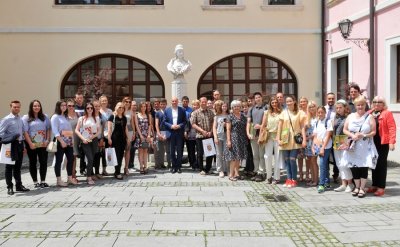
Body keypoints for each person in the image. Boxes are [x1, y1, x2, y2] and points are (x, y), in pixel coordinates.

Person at [342, 96, 377, 198]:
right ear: (355, 106)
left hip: (365, 146)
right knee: (354, 167)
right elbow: (345, 129)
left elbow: (374, 132)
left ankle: (362, 188)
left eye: (362, 104)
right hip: (353, 146)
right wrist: (352, 135)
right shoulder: (350, 116)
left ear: (365, 105)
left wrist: (364, 135)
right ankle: (356, 187)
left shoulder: (369, 117)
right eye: (358, 105)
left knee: (363, 166)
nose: (360, 106)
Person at [368, 96, 397, 196]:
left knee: (381, 164)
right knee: (373, 164)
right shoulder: (370, 113)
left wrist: (392, 142)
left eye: (379, 102)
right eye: (374, 101)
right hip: (372, 142)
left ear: (383, 104)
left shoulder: (387, 113)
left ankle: (381, 187)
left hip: (382, 142)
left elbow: (392, 128)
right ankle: (374, 184)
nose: (376, 103)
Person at [0, 100, 30, 195]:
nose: (17, 108)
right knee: (9, 167)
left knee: (18, 167)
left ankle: (19, 185)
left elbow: (22, 134)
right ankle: (9, 187)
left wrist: (24, 146)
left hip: (20, 145)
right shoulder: (6, 119)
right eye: (15, 107)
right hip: (10, 146)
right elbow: (1, 134)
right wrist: (12, 137)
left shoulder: (20, 119)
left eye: (18, 107)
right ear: (11, 107)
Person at [277, 95, 307, 188]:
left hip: (295, 139)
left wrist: (304, 139)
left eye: (290, 101)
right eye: (287, 102)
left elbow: (302, 127)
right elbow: (280, 126)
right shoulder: (283, 112)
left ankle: (294, 179)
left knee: (292, 159)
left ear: (294, 101)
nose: (288, 103)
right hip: (285, 139)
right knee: (287, 160)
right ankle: (288, 179)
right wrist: (278, 138)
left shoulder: (299, 112)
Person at [22, 100, 51, 189]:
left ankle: (43, 181)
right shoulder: (26, 118)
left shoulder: (45, 117)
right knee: (33, 162)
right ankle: (35, 182)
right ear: (31, 107)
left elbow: (48, 129)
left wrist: (47, 140)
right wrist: (30, 143)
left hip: (42, 144)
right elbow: (25, 132)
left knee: (43, 162)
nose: (37, 107)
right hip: (31, 144)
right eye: (35, 106)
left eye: (38, 105)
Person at [51, 100, 77, 187]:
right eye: (62, 105)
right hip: (59, 141)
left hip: (68, 140)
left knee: (71, 159)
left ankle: (69, 178)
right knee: (59, 161)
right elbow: (55, 130)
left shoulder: (65, 116)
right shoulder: (55, 117)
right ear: (58, 106)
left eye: (65, 105)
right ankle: (59, 180)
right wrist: (61, 141)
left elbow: (69, 129)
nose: (64, 107)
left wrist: (72, 139)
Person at [75, 102, 101, 185]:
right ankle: (89, 177)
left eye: (91, 108)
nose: (90, 109)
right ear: (85, 109)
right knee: (90, 158)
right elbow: (76, 130)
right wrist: (83, 139)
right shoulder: (81, 119)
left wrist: (92, 137)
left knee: (91, 159)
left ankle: (89, 173)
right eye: (88, 108)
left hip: (93, 140)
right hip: (85, 141)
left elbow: (99, 131)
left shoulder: (96, 118)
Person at [259, 96, 283, 184]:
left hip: (278, 136)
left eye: (276, 102)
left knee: (277, 157)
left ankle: (276, 177)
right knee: (267, 156)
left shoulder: (281, 113)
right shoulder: (267, 112)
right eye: (272, 103)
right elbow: (263, 124)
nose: (274, 104)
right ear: (270, 104)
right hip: (268, 136)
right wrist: (261, 135)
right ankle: (268, 176)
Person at [332, 100, 353, 193]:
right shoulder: (335, 117)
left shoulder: (349, 117)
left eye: (340, 107)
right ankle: (343, 184)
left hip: (345, 140)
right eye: (337, 108)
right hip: (336, 140)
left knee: (345, 163)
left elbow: (351, 130)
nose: (338, 109)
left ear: (345, 108)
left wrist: (348, 141)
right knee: (339, 163)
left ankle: (350, 184)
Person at [224, 100, 248, 181]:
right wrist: (228, 140)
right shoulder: (229, 117)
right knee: (233, 157)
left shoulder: (243, 116)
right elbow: (228, 129)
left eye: (238, 106)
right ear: (232, 108)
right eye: (235, 106)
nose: (237, 108)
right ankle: (231, 175)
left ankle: (237, 173)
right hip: (233, 137)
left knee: (239, 157)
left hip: (242, 138)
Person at [191, 97, 215, 175]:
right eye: (202, 102)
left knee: (210, 153)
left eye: (205, 102)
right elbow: (193, 124)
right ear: (200, 103)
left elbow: (213, 122)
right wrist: (202, 131)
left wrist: (211, 131)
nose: (204, 103)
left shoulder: (211, 112)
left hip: (209, 135)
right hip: (200, 136)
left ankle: (207, 169)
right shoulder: (195, 112)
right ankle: (201, 169)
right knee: (200, 153)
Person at [246, 92, 266, 182]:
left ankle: (262, 172)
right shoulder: (251, 109)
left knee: (262, 155)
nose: (257, 99)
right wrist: (248, 133)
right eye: (256, 98)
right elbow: (248, 122)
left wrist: (261, 125)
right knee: (255, 155)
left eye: (259, 97)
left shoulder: (266, 108)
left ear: (261, 98)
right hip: (253, 134)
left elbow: (268, 121)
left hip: (262, 134)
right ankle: (256, 170)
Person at [313, 106, 333, 193]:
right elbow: (315, 135)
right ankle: (327, 182)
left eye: (322, 112)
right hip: (318, 146)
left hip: (326, 146)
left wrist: (323, 148)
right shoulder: (317, 122)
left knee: (321, 164)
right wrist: (313, 147)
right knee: (324, 164)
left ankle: (321, 184)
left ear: (325, 113)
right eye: (319, 112)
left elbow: (328, 135)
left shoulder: (328, 122)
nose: (320, 114)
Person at [164, 97, 187, 173]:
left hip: (179, 132)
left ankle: (179, 166)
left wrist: (179, 125)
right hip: (171, 132)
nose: (174, 102)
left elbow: (185, 121)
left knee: (179, 150)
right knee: (172, 150)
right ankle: (173, 166)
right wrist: (171, 126)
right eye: (173, 101)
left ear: (178, 102)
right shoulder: (167, 110)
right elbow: (165, 121)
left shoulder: (182, 110)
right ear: (171, 102)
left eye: (175, 101)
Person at [108, 102, 129, 180]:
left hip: (122, 139)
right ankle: (117, 172)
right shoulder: (112, 116)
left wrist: (128, 138)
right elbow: (109, 128)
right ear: (116, 107)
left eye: (122, 108)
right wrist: (109, 138)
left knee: (120, 155)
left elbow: (125, 128)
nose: (121, 109)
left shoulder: (124, 117)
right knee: (116, 155)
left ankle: (117, 171)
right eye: (119, 107)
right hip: (115, 139)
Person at [135, 102, 153, 174]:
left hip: (146, 135)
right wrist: (140, 135)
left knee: (145, 151)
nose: (143, 108)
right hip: (140, 135)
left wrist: (149, 135)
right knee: (140, 151)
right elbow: (137, 126)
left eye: (144, 106)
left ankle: (145, 166)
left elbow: (149, 126)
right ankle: (141, 167)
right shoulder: (137, 115)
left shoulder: (149, 115)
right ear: (140, 107)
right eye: (142, 106)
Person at [325, 92, 339, 184]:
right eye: (329, 99)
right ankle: (326, 176)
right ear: (326, 99)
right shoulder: (323, 109)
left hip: (335, 136)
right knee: (325, 157)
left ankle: (336, 175)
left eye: (332, 99)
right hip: (325, 136)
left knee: (336, 157)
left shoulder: (337, 109)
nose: (331, 100)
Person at [213, 100, 229, 178]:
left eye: (226, 106)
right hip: (219, 136)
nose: (224, 107)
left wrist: (226, 125)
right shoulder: (217, 116)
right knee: (219, 154)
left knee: (226, 153)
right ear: (221, 107)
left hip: (227, 136)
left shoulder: (229, 115)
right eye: (223, 106)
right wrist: (215, 137)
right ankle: (220, 170)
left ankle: (227, 169)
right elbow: (214, 127)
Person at [304, 101, 318, 186]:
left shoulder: (318, 117)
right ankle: (313, 179)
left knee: (314, 161)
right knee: (310, 161)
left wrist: (308, 137)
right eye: (310, 107)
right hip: (308, 143)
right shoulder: (307, 118)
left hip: (315, 141)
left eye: (313, 106)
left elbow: (317, 132)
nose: (311, 108)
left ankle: (316, 180)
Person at [66, 99, 79, 183]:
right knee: (69, 158)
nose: (71, 107)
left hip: (76, 137)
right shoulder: (64, 115)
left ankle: (73, 175)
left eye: (73, 106)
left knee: (74, 157)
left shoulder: (77, 114)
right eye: (69, 106)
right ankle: (70, 176)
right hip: (67, 138)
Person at [99, 95, 113, 176]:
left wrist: (110, 135)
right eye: (102, 101)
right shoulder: (98, 111)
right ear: (100, 102)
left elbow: (111, 124)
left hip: (108, 134)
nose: (104, 102)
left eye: (105, 100)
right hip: (100, 134)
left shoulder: (110, 111)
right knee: (99, 153)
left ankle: (104, 169)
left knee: (106, 152)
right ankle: (96, 170)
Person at [154, 98, 170, 170]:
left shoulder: (168, 112)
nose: (162, 105)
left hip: (167, 132)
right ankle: (158, 164)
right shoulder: (157, 113)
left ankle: (168, 164)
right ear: (159, 105)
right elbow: (156, 124)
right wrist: (158, 133)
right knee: (158, 149)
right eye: (161, 104)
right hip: (160, 132)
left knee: (167, 149)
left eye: (164, 104)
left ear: (166, 104)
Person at [92, 99, 105, 179]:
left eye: (98, 106)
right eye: (95, 106)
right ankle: (91, 173)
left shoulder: (101, 116)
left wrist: (102, 138)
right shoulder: (90, 116)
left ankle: (97, 172)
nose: (97, 108)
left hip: (99, 138)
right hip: (92, 138)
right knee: (91, 156)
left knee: (98, 156)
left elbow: (103, 128)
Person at [74, 92, 86, 176]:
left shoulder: (86, 108)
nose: (79, 99)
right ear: (75, 99)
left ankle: (82, 169)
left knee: (84, 151)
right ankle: (73, 170)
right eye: (78, 98)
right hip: (75, 132)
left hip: (84, 132)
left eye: (81, 98)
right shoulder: (72, 108)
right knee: (74, 151)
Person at [185, 99, 199, 170]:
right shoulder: (191, 113)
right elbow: (187, 123)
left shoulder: (200, 113)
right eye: (194, 105)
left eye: (196, 105)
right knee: (191, 150)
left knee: (199, 151)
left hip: (199, 134)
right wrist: (186, 132)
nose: (195, 106)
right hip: (191, 134)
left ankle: (198, 163)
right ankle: (193, 163)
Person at [297, 96, 308, 182]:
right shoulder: (298, 112)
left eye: (304, 101)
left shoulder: (309, 112)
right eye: (301, 102)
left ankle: (307, 173)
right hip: (300, 137)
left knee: (308, 157)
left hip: (309, 136)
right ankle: (300, 173)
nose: (302, 103)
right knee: (300, 157)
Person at [122, 97, 133, 175]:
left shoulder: (131, 112)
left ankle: (126, 167)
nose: (128, 103)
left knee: (128, 150)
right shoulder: (120, 109)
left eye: (129, 102)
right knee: (120, 151)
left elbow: (132, 123)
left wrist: (134, 133)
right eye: (126, 101)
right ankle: (119, 167)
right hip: (121, 130)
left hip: (129, 130)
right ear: (123, 102)